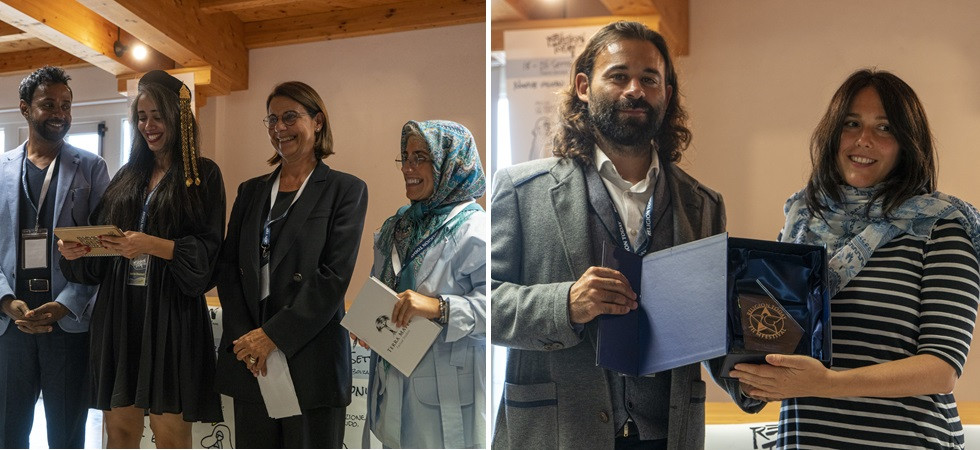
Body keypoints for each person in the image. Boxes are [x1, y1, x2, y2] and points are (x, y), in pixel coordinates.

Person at [491, 21, 754, 449]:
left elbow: (711, 323)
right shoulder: (521, 191)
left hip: (668, 436)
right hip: (557, 434)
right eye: (618, 76)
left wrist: (756, 372)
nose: (635, 90)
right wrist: (564, 303)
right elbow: (485, 305)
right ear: (583, 87)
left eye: (650, 79)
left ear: (666, 93)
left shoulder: (704, 205)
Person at [729, 69, 980, 448]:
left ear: (907, 144)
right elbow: (771, 340)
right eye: (852, 123)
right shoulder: (802, 224)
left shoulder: (939, 226)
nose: (864, 139)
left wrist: (827, 384)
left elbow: (941, 369)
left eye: (885, 128)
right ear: (833, 134)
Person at [58, 70, 225, 448]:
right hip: (121, 313)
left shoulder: (202, 175)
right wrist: (78, 251)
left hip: (171, 315)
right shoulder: (126, 177)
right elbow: (101, 252)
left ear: (178, 118)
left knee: (170, 434)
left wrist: (152, 244)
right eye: (142, 117)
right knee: (119, 430)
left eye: (157, 116)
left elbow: (209, 254)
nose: (148, 126)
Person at [214, 81, 368, 448]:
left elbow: (333, 277)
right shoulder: (250, 192)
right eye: (272, 119)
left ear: (317, 122)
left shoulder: (346, 190)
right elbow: (229, 269)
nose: (279, 128)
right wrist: (249, 342)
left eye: (289, 117)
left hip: (311, 361)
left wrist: (273, 337)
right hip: (253, 363)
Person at [356, 120, 486, 448]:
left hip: (447, 397)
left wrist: (439, 307)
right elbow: (382, 289)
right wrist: (368, 324)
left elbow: (500, 309)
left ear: (450, 163)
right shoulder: (396, 228)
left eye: (421, 158)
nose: (407, 168)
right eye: (405, 157)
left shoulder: (476, 229)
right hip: (391, 386)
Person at [0, 66, 109, 448]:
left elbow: (103, 250)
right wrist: (4, 300)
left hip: (67, 323)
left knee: (66, 436)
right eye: (49, 105)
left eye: (66, 105)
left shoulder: (92, 168)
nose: (60, 113)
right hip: (10, 324)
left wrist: (67, 304)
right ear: (25, 108)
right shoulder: (1, 169)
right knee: (7, 433)